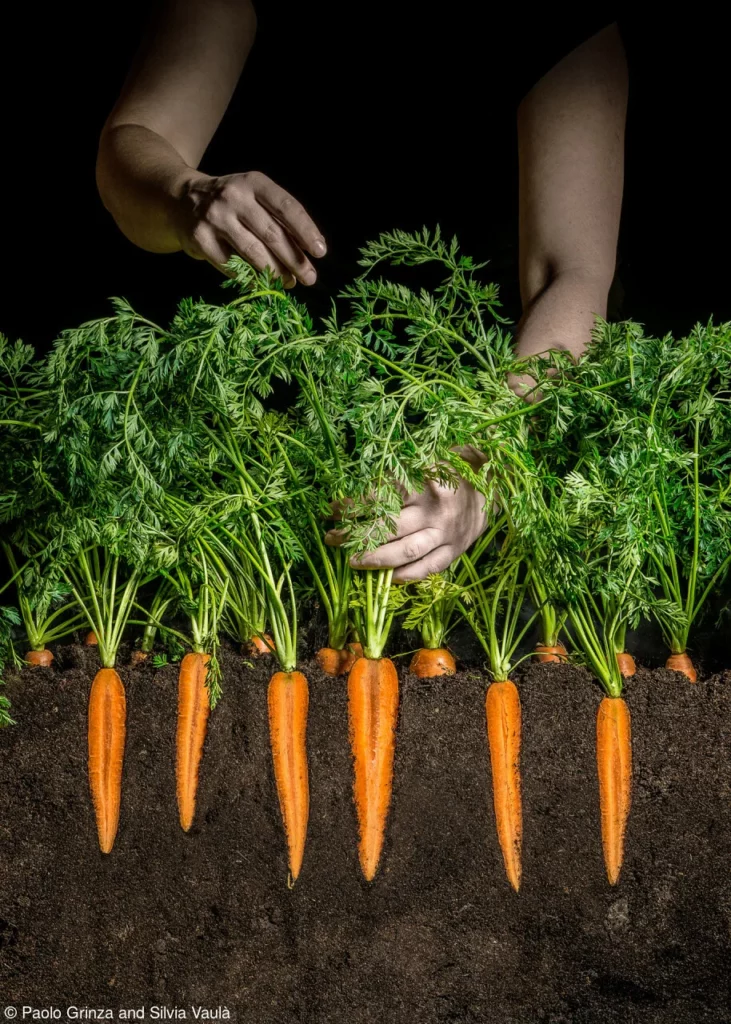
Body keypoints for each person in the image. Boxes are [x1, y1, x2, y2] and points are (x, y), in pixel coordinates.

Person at [96, 1, 627, 582]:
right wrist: (183, 193)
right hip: (232, 446)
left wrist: (481, 463)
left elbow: (570, 274)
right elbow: (133, 141)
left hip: (452, 452)